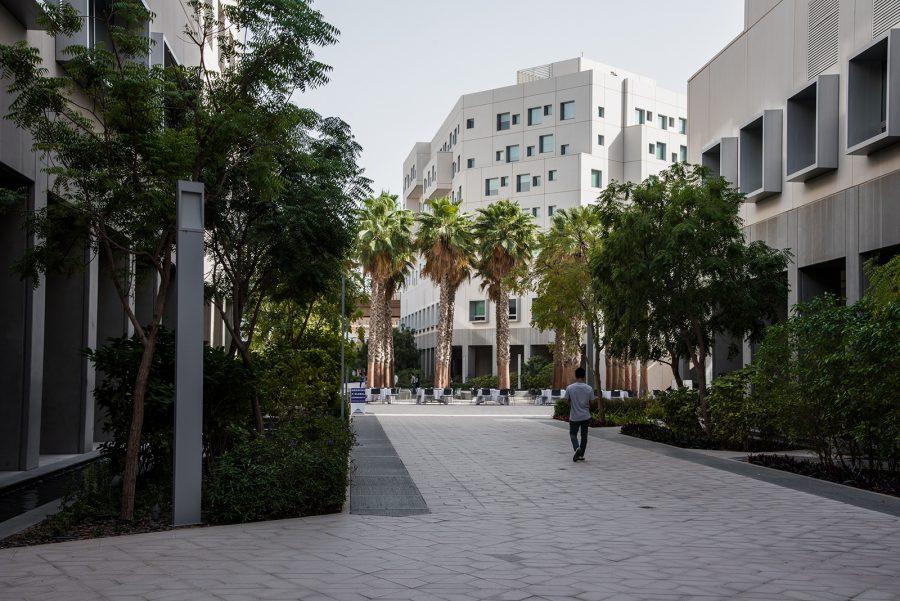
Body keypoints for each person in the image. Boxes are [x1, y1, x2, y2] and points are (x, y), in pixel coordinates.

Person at [566, 367, 594, 462]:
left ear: (575, 375)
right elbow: (592, 402)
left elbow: (567, 400)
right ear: (584, 376)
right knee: (584, 436)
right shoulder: (589, 388)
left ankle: (577, 448)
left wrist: (573, 404)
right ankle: (581, 455)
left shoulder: (570, 388)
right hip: (585, 416)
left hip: (574, 416)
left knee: (573, 434)